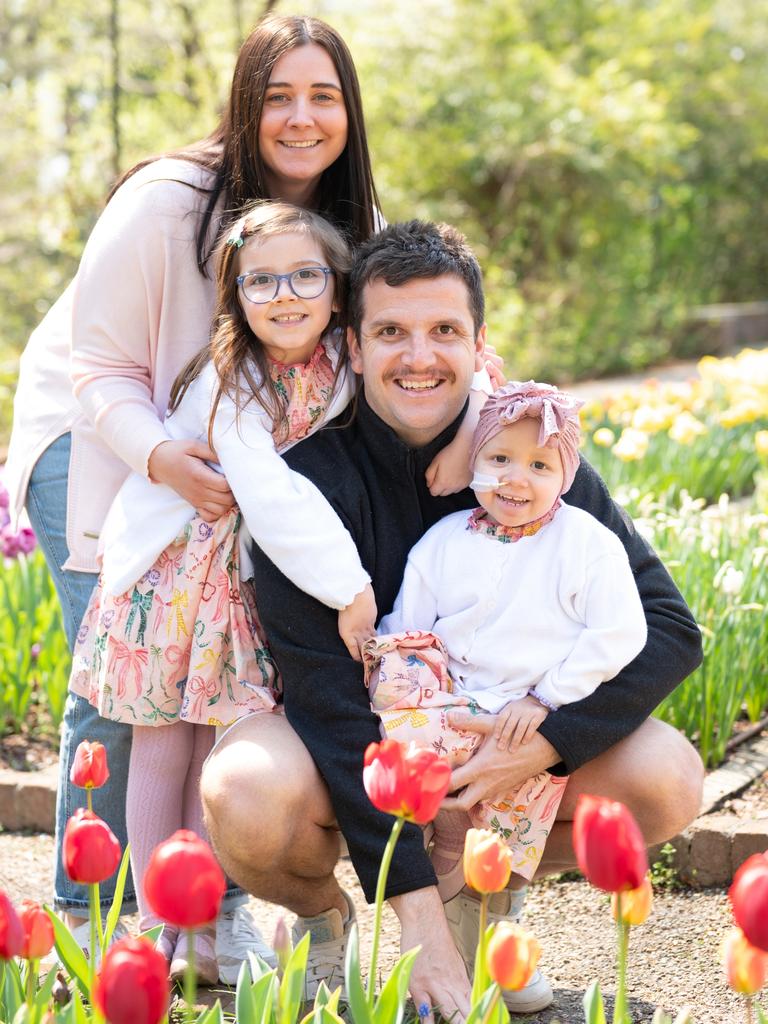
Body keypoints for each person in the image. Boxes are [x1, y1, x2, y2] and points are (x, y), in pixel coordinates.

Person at [200, 220, 705, 1019]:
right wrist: (419, 937)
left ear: (478, 343)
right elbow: (331, 711)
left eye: (444, 330)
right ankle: (325, 925)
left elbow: (672, 629)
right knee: (247, 795)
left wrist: (542, 743)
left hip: (507, 734)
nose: (420, 356)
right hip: (363, 736)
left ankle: (487, 891)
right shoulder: (304, 490)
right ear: (354, 348)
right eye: (391, 332)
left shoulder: (533, 458)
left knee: (665, 781)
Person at [3, 13, 381, 977]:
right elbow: (97, 367)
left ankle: (210, 915)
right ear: (245, 103)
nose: (301, 118)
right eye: (279, 96)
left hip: (232, 468)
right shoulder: (168, 201)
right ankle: (89, 916)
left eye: (323, 96)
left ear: (351, 111)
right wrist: (163, 460)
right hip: (100, 442)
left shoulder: (349, 225)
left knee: (222, 682)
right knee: (130, 668)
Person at [366, 379, 647, 904]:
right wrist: (402, 670)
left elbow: (620, 630)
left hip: (524, 707)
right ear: (475, 463)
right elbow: (407, 623)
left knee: (520, 787)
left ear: (566, 476)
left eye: (540, 465)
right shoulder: (446, 539)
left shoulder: (586, 542)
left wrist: (549, 697)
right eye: (499, 458)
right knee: (396, 681)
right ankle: (443, 829)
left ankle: (489, 896)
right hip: (448, 698)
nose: (516, 478)